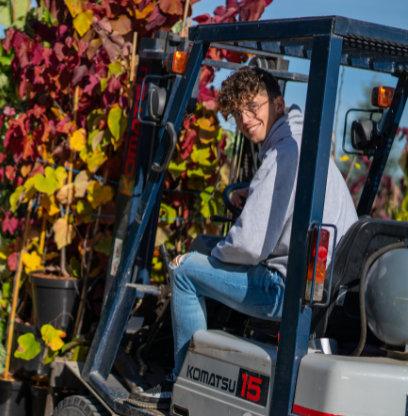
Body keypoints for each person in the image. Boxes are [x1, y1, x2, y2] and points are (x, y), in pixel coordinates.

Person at [127, 66, 358, 409]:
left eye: (254, 107)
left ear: (278, 103)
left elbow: (248, 245)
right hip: (324, 286)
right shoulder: (302, 141)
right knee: (205, 247)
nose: (246, 119)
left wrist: (207, 256)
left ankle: (181, 380)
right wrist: (251, 196)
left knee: (185, 270)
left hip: (286, 291)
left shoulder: (281, 154)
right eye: (238, 113)